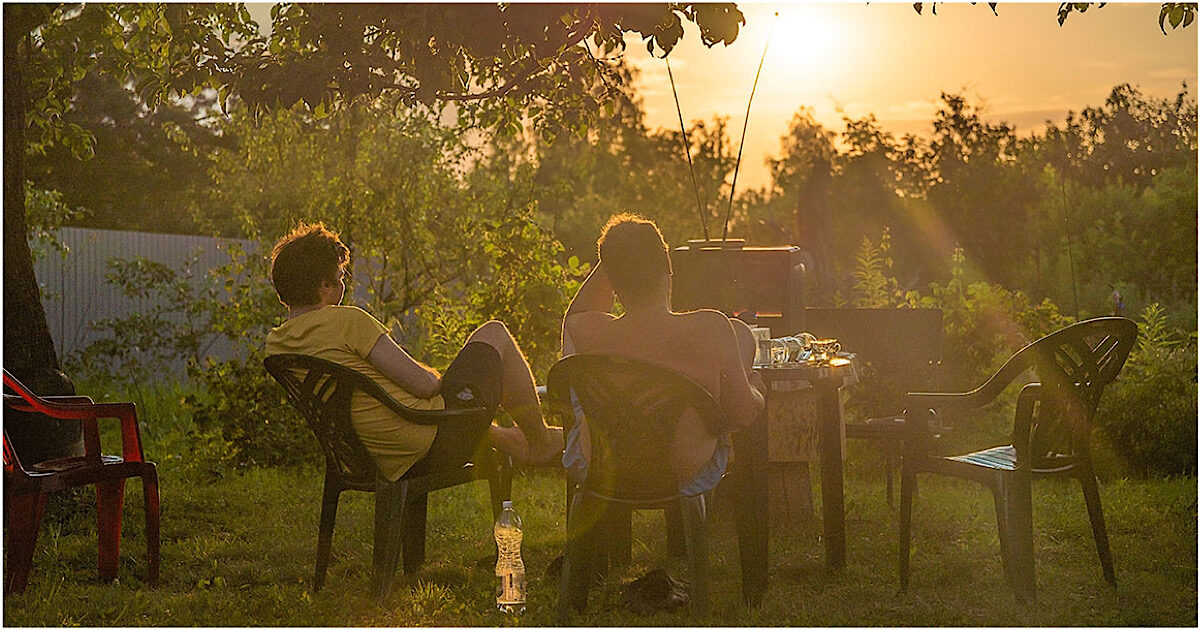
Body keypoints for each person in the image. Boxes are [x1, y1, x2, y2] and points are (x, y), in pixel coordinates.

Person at [265, 222, 562, 482]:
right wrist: (435, 377)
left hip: (365, 456)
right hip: (428, 446)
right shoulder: (347, 321)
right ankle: (541, 442)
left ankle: (513, 441)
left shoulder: (278, 345)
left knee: (452, 402)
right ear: (325, 285)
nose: (343, 285)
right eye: (341, 278)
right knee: (494, 334)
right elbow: (425, 385)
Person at [560, 213, 765, 495]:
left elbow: (577, 312)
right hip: (680, 474)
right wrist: (754, 388)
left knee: (577, 366)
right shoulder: (713, 328)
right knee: (740, 338)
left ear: (610, 276)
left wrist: (615, 257)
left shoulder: (589, 330)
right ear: (667, 264)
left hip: (601, 469)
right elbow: (742, 415)